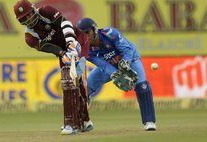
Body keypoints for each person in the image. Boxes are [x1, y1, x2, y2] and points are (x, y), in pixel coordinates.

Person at [13, 0, 93, 135]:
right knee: (71, 83)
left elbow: (65, 23)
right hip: (64, 51)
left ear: (34, 10)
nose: (29, 19)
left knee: (73, 81)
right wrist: (63, 53)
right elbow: (49, 47)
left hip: (77, 39)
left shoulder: (46, 11)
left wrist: (71, 44)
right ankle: (84, 122)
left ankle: (72, 124)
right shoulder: (29, 37)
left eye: (29, 15)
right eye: (24, 19)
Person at [77, 18, 157, 131]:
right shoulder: (85, 49)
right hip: (109, 66)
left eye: (87, 32)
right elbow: (104, 66)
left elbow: (127, 51)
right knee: (84, 89)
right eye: (82, 34)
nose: (85, 36)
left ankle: (149, 121)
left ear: (94, 30)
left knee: (142, 86)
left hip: (131, 60)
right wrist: (116, 75)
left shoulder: (110, 34)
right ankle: (82, 122)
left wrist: (126, 65)